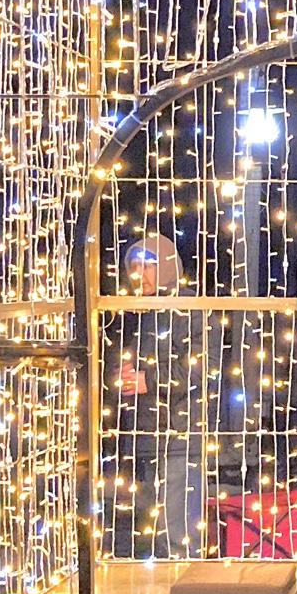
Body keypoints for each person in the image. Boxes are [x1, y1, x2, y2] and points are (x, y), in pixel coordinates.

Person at [108, 234, 214, 558]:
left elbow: (199, 368)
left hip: (179, 437)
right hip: (145, 436)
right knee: (155, 528)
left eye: (148, 265)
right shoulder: (135, 312)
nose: (140, 273)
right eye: (135, 265)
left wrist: (149, 379)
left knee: (179, 530)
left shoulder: (188, 308)